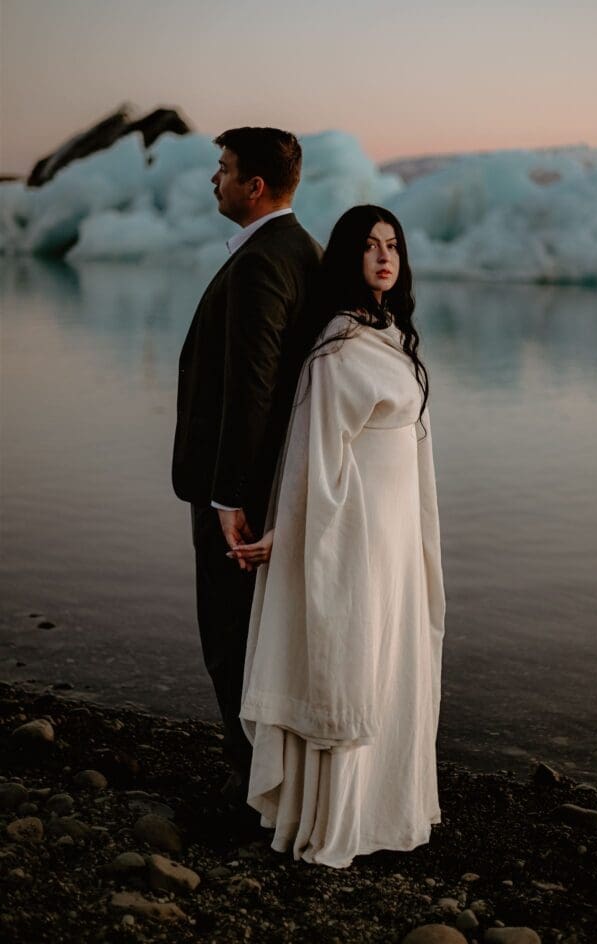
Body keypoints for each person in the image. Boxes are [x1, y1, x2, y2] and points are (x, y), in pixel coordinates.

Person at [229, 204, 446, 867]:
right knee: (357, 659)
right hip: (358, 536)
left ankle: (384, 808)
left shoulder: (390, 335)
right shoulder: (339, 346)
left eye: (393, 245)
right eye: (369, 245)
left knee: (391, 658)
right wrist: (288, 531)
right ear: (349, 257)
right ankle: (335, 820)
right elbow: (314, 456)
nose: (384, 256)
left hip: (396, 537)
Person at [172, 127, 322, 807]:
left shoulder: (264, 261)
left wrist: (228, 496)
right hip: (276, 481)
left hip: (241, 491)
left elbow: (252, 386)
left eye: (224, 168)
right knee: (263, 637)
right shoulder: (303, 252)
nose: (215, 179)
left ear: (254, 186)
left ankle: (247, 785)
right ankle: (270, 780)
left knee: (230, 635)